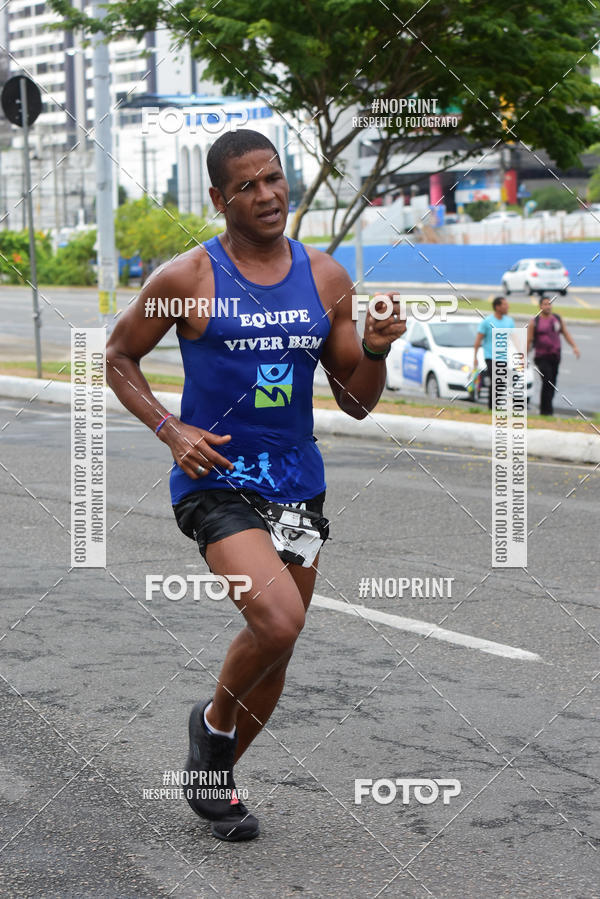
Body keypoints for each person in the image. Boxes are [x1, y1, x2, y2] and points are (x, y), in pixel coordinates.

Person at [105, 129, 406, 842]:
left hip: (298, 486)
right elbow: (118, 357)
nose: (266, 194)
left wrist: (374, 348)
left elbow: (356, 401)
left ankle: (216, 776)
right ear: (219, 198)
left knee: (279, 646)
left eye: (273, 178)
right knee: (277, 619)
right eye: (247, 185)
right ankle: (211, 727)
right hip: (214, 481)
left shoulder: (326, 277)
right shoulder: (186, 280)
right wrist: (169, 429)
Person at [527, 294, 580, 415]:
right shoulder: (535, 321)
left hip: (555, 355)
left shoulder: (557, 318)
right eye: (545, 304)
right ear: (540, 306)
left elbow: (565, 334)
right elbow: (529, 340)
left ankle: (547, 408)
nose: (548, 306)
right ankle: (546, 411)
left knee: (552, 383)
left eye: (549, 304)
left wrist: (574, 347)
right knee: (547, 381)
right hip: (541, 356)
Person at [472, 296, 515, 409]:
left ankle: (494, 406)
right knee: (496, 379)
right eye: (505, 305)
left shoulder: (509, 321)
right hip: (490, 356)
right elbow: (478, 340)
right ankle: (492, 407)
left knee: (501, 383)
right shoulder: (487, 322)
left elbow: (514, 339)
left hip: (503, 357)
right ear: (497, 307)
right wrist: (475, 357)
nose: (507, 307)